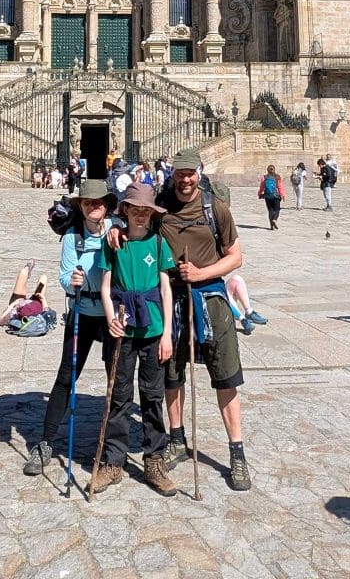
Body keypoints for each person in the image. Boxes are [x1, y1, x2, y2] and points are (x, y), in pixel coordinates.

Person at [157, 151, 251, 491]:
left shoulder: (216, 209)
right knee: (172, 373)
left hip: (211, 301)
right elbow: (133, 224)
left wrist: (202, 273)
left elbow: (236, 257)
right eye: (179, 174)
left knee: (226, 378)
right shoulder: (160, 208)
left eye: (190, 174)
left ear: (199, 173)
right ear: (172, 175)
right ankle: (177, 438)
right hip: (173, 302)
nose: (185, 180)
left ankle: (236, 452)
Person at [23, 179, 119, 476]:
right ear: (81, 206)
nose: (94, 206)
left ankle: (113, 447)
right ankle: (46, 443)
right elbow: (64, 276)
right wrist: (72, 281)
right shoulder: (71, 237)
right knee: (66, 377)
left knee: (115, 378)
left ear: (107, 205)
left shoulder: (117, 229)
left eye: (99, 202)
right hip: (82, 311)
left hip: (112, 312)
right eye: (88, 202)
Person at [92, 182, 176, 496]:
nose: (140, 216)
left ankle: (154, 459)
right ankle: (113, 461)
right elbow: (105, 285)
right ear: (125, 210)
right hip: (123, 327)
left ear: (152, 214)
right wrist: (110, 316)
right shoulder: (113, 243)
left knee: (152, 395)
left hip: (153, 329)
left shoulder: (158, 244)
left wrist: (167, 332)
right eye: (135, 209)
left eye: (146, 211)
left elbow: (166, 289)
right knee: (119, 393)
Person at [0, 259, 49, 328]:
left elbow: (0, 321)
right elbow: (46, 310)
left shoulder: (14, 315)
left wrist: (12, 306)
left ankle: (27, 270)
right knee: (43, 278)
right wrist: (43, 299)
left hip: (18, 301)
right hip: (36, 303)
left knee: (23, 272)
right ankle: (27, 274)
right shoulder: (39, 317)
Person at [258, 165, 286, 230]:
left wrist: (259, 193)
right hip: (276, 196)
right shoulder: (277, 177)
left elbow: (262, 187)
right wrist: (283, 195)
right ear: (274, 170)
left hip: (267, 196)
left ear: (267, 170)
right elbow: (280, 187)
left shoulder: (265, 177)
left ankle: (271, 226)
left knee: (270, 210)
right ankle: (275, 220)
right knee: (277, 209)